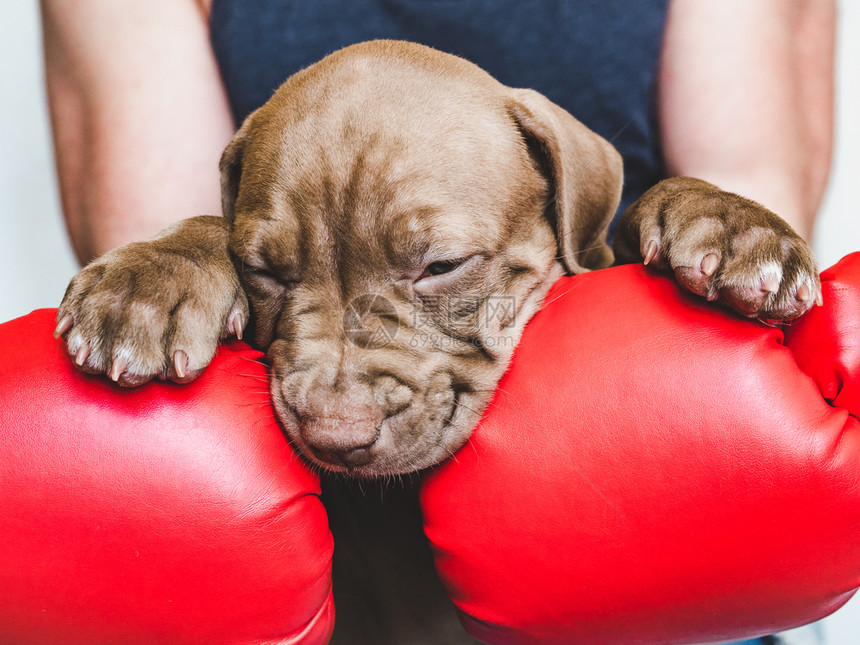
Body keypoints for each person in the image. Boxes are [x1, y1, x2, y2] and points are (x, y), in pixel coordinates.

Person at [39, 2, 836, 644]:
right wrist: (190, 256)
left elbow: (750, 203)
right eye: (276, 268)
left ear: (566, 200)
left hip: (639, 512)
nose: (335, 412)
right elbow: (157, 261)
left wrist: (700, 220)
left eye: (438, 267)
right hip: (318, 587)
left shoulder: (560, 190)